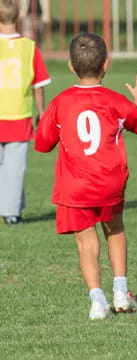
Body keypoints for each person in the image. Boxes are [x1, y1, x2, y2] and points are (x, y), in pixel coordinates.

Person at [35, 32, 137, 319]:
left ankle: (97, 301)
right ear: (106, 64)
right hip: (110, 181)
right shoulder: (115, 101)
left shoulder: (61, 102)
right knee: (115, 228)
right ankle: (121, 292)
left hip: (75, 185)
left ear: (70, 65)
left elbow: (42, 144)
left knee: (86, 241)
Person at [0, 0, 50, 225]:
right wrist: (41, 111)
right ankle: (11, 212)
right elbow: (38, 85)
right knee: (15, 167)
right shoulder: (29, 47)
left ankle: (12, 207)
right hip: (19, 115)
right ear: (18, 15)